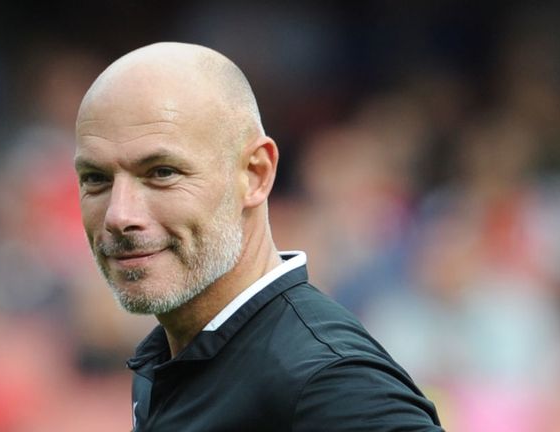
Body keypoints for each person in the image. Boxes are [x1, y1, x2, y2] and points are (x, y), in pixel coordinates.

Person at [74, 42, 443, 431]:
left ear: (255, 174)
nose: (119, 215)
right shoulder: (171, 359)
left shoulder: (330, 384)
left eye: (162, 172)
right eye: (96, 179)